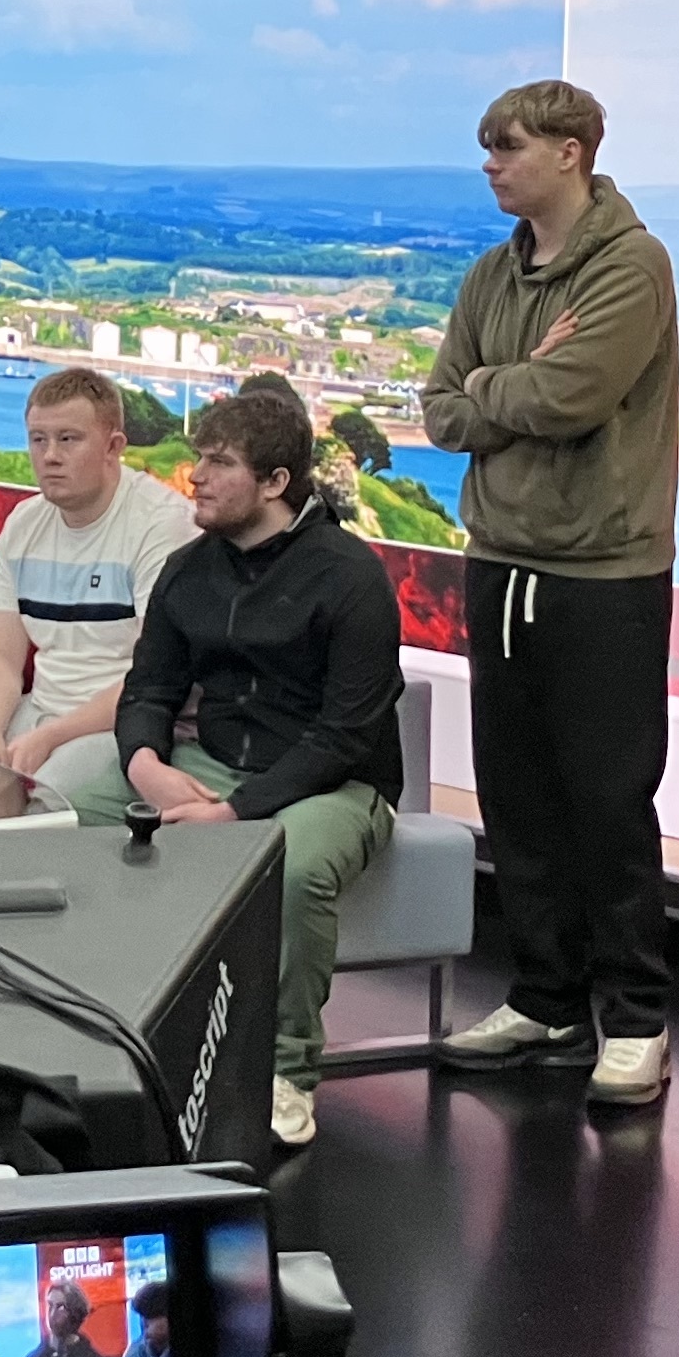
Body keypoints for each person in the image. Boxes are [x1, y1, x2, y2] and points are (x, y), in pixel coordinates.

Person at [421, 81, 679, 1111]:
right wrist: (508, 382)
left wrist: (495, 386)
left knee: (609, 804)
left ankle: (638, 1018)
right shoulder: (491, 273)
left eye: (510, 147)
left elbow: (571, 395)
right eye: (488, 148)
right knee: (518, 796)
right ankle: (547, 998)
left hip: (604, 575)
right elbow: (440, 411)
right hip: (501, 561)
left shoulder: (632, 265)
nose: (491, 165)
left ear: (572, 152)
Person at [116, 382, 403, 1155]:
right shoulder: (188, 568)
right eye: (199, 458)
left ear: (275, 482)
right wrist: (144, 765)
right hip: (207, 761)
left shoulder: (350, 577)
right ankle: (103, 1033)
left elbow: (345, 736)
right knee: (69, 806)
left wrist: (236, 813)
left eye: (219, 463)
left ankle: (287, 1072)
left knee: (293, 864)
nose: (196, 477)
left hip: (334, 783)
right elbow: (149, 689)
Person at [0, 365, 190, 819]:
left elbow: (155, 676)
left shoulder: (161, 526)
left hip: (123, 721)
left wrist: (50, 737)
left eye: (68, 439)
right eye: (38, 439)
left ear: (113, 446)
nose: (50, 456)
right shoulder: (24, 524)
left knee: (53, 800)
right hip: (39, 705)